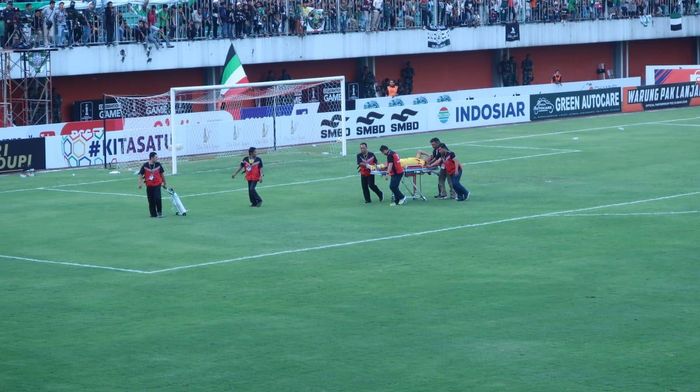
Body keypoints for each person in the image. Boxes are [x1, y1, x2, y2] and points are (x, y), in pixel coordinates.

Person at [138, 152, 167, 217]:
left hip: (157, 184)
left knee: (158, 198)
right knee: (151, 200)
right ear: (152, 158)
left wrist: (164, 183)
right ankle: (153, 214)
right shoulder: (145, 165)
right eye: (156, 157)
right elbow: (140, 174)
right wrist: (140, 183)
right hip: (149, 185)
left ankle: (159, 212)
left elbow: (162, 174)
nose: (157, 158)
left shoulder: (158, 164)